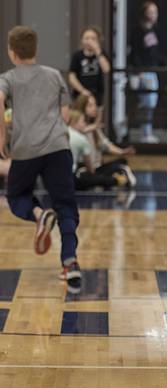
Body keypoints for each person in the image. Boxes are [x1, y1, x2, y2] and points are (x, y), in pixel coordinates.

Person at [0, 26, 82, 293]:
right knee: (66, 206)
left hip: (26, 150)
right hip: (58, 147)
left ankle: (39, 214)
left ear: (12, 52)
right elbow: (66, 116)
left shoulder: (8, 78)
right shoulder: (54, 75)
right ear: (35, 50)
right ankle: (70, 264)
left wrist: (2, 137)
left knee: (15, 197)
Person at [128, 1, 167, 143]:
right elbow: (134, 53)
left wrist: (166, 63)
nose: (153, 15)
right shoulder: (137, 30)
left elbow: (154, 53)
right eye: (150, 12)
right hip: (142, 72)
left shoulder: (153, 31)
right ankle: (143, 133)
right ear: (144, 13)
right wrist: (138, 70)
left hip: (151, 70)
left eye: (155, 12)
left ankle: (146, 131)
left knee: (150, 102)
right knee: (146, 101)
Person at [67, 26, 110, 115]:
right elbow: (71, 76)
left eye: (93, 38)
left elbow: (106, 69)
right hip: (80, 95)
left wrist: (98, 51)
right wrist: (82, 90)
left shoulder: (101, 54)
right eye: (87, 38)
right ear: (82, 40)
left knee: (96, 119)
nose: (90, 41)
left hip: (97, 95)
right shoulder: (78, 56)